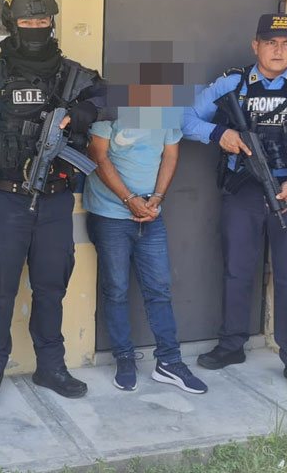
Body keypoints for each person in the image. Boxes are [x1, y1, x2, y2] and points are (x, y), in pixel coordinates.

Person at [0, 0, 105, 410]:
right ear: (12, 24)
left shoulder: (71, 74)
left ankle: (51, 367)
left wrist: (85, 111)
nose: (36, 27)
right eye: (27, 21)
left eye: (42, 20)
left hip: (56, 199)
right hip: (7, 200)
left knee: (51, 287)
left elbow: (118, 97)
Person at [182, 13, 287, 395]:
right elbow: (186, 119)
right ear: (256, 45)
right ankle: (231, 345)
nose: (278, 50)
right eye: (271, 42)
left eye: (286, 43)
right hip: (244, 190)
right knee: (237, 271)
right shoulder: (232, 83)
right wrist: (219, 133)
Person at [84, 120, 208, 394]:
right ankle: (124, 357)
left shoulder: (165, 109)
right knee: (116, 290)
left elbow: (170, 155)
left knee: (159, 290)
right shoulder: (110, 108)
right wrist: (129, 199)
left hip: (152, 215)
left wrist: (158, 197)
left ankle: (169, 362)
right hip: (110, 215)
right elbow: (98, 156)